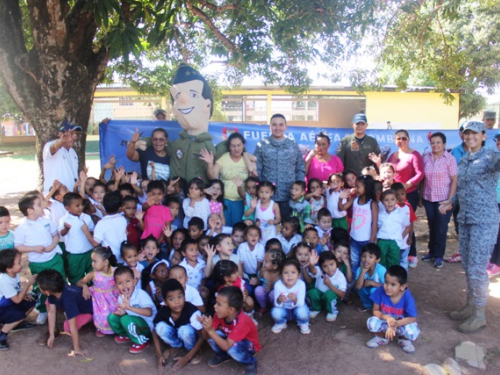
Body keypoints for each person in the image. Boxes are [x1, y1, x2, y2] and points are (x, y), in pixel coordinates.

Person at [439, 121, 500, 333]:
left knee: (477, 268)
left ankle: (480, 314)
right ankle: (471, 305)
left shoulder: (491, 156)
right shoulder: (464, 159)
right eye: (467, 133)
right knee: (468, 266)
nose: (470, 136)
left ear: (483, 135)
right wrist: (451, 201)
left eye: (474, 133)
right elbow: (464, 189)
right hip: (465, 219)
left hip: (485, 220)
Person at [374, 130, 424, 267]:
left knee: (406, 222)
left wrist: (407, 185)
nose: (401, 140)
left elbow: (420, 174)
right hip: (391, 195)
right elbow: (386, 171)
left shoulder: (414, 155)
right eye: (398, 138)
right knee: (392, 222)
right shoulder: (392, 156)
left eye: (404, 138)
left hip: (408, 194)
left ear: (408, 139)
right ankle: (392, 249)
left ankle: (411, 254)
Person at [14, 193, 66, 326]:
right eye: (38, 205)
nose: (42, 206)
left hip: (54, 259)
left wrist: (52, 246)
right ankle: (43, 310)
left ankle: (64, 307)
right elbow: (19, 247)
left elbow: (55, 236)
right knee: (40, 287)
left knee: (60, 283)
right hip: (37, 263)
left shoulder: (47, 221)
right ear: (30, 211)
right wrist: (33, 248)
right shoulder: (22, 228)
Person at [254, 114, 305, 220]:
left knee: (288, 230)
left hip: (289, 197)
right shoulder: (262, 145)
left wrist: (299, 190)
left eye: (281, 125)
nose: (278, 128)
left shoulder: (292, 145)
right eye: (274, 125)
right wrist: (259, 190)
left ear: (286, 127)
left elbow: (300, 167)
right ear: (270, 127)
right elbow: (257, 170)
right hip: (267, 198)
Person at [199, 286, 260, 375]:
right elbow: (206, 337)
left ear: (231, 310)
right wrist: (205, 327)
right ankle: (223, 355)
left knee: (231, 348)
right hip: (231, 340)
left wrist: (211, 330)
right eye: (216, 303)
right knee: (213, 335)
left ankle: (250, 362)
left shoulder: (242, 321)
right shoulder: (219, 314)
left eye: (219, 304)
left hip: (249, 346)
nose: (215, 306)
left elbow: (227, 346)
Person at [420, 132, 457, 268]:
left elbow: (454, 180)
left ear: (444, 144)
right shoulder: (426, 158)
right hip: (429, 198)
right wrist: (420, 197)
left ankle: (439, 256)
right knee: (432, 227)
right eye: (433, 142)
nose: (435, 145)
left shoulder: (450, 159)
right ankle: (431, 252)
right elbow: (423, 179)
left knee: (441, 228)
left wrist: (450, 200)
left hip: (444, 199)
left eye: (438, 142)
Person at [37, 269, 93, 356]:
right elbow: (51, 313)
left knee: (68, 327)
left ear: (47, 292)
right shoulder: (54, 293)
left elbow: (73, 325)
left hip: (87, 311)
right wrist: (52, 334)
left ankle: (88, 323)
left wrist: (77, 349)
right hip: (70, 305)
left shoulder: (68, 299)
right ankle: (56, 330)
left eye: (39, 287)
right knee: (48, 303)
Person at [200, 132, 251, 226]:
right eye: (233, 146)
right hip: (224, 201)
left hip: (241, 201)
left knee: (238, 228)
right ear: (229, 147)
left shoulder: (247, 158)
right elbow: (212, 176)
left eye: (239, 145)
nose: (236, 149)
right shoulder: (224, 158)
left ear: (243, 145)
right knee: (225, 227)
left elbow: (253, 176)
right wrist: (210, 164)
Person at [366, 265, 420, 354]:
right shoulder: (380, 290)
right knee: (372, 322)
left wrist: (395, 325)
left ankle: (403, 339)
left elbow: (413, 318)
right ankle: (382, 337)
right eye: (386, 282)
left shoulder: (407, 297)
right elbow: (375, 310)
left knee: (412, 331)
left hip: (401, 324)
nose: (388, 287)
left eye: (393, 284)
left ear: (402, 286)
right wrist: (387, 318)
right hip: (386, 322)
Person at [153, 279, 204, 369]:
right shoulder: (164, 310)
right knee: (160, 328)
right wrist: (159, 354)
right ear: (165, 302)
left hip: (191, 337)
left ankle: (193, 351)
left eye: (180, 297)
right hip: (178, 335)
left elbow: (202, 336)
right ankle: (177, 346)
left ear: (184, 296)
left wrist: (186, 358)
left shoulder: (192, 311)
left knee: (184, 331)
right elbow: (154, 331)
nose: (177, 302)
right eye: (171, 299)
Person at [108, 266, 157, 353]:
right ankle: (127, 335)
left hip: (148, 327)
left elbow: (149, 312)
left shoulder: (141, 294)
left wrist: (129, 308)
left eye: (128, 281)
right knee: (112, 318)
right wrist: (122, 312)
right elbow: (125, 313)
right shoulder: (122, 297)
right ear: (116, 285)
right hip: (134, 323)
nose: (124, 285)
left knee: (125, 319)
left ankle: (142, 341)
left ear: (134, 282)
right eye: (120, 283)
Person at [0, 249, 37, 351]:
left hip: (8, 303)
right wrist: (28, 285)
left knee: (31, 301)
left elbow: (16, 290)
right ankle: (2, 335)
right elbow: (16, 300)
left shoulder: (14, 274)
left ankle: (17, 325)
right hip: (2, 307)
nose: (21, 264)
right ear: (8, 269)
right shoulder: (4, 280)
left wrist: (23, 293)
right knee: (20, 315)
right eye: (19, 263)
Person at [77, 247, 118, 337]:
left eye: (95, 261)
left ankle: (116, 329)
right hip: (100, 301)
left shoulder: (116, 271)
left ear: (105, 262)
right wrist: (85, 286)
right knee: (104, 316)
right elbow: (79, 282)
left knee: (116, 313)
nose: (92, 264)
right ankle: (101, 328)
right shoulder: (93, 274)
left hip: (113, 298)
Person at [59, 193, 95, 285]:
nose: (81, 207)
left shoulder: (86, 217)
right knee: (76, 277)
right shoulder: (64, 220)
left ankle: (92, 295)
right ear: (67, 208)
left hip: (89, 252)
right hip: (75, 255)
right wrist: (66, 229)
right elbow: (62, 233)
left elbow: (92, 231)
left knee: (92, 276)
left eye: (81, 204)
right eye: (77, 206)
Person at [271, 259, 310, 334]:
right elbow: (276, 304)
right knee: (275, 312)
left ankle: (303, 323)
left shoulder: (301, 284)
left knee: (303, 311)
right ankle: (281, 322)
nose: (289, 275)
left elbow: (301, 302)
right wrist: (279, 300)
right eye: (285, 273)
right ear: (281, 275)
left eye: (293, 272)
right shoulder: (278, 285)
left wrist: (295, 299)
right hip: (284, 309)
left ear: (299, 275)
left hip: (297, 308)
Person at [42, 121, 81, 195]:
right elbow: (54, 146)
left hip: (69, 198)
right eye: (71, 134)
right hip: (54, 198)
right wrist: (63, 140)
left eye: (75, 134)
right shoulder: (49, 145)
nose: (74, 137)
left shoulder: (73, 152)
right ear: (60, 134)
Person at [307, 251, 347, 322]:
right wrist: (311, 265)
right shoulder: (321, 271)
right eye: (325, 266)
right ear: (321, 267)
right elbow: (313, 271)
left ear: (336, 263)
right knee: (312, 292)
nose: (329, 268)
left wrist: (330, 285)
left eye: (331, 264)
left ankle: (332, 312)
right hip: (321, 297)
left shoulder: (340, 276)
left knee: (329, 294)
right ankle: (316, 308)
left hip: (333, 299)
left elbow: (342, 294)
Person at [377, 190, 411, 269]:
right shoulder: (381, 214)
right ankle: (383, 279)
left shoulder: (401, 214)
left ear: (396, 200)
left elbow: (408, 226)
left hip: (394, 242)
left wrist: (401, 237)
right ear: (382, 202)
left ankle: (392, 279)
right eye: (386, 200)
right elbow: (378, 227)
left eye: (392, 199)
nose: (389, 202)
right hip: (382, 241)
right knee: (381, 261)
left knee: (394, 261)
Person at [93, 192, 127, 263]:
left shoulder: (101, 223)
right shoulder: (123, 219)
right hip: (124, 257)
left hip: (110, 260)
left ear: (104, 205)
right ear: (120, 208)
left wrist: (85, 230)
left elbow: (95, 243)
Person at [355, 243, 386, 311]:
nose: (366, 259)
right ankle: (368, 305)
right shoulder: (360, 269)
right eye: (364, 256)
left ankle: (380, 307)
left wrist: (372, 283)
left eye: (370, 257)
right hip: (368, 291)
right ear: (360, 257)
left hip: (381, 293)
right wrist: (363, 271)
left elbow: (387, 286)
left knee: (373, 290)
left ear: (377, 260)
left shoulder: (381, 270)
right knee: (361, 288)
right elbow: (358, 286)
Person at [488, 132, 500, 276]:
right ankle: (493, 260)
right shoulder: (494, 158)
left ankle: (497, 263)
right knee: (494, 232)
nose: (498, 143)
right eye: (497, 140)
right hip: (493, 200)